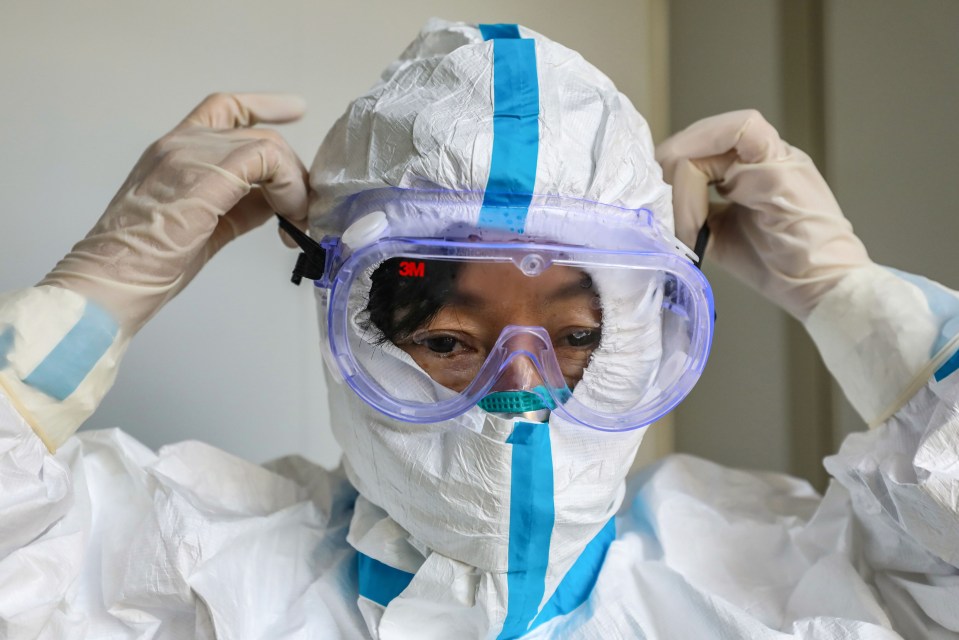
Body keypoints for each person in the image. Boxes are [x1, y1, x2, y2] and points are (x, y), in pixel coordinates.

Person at [1, 18, 958, 640]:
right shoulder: (187, 564)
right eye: (452, 341)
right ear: (356, 331)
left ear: (637, 334)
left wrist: (857, 301)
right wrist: (95, 288)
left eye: (576, 337)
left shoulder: (775, 573)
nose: (520, 387)